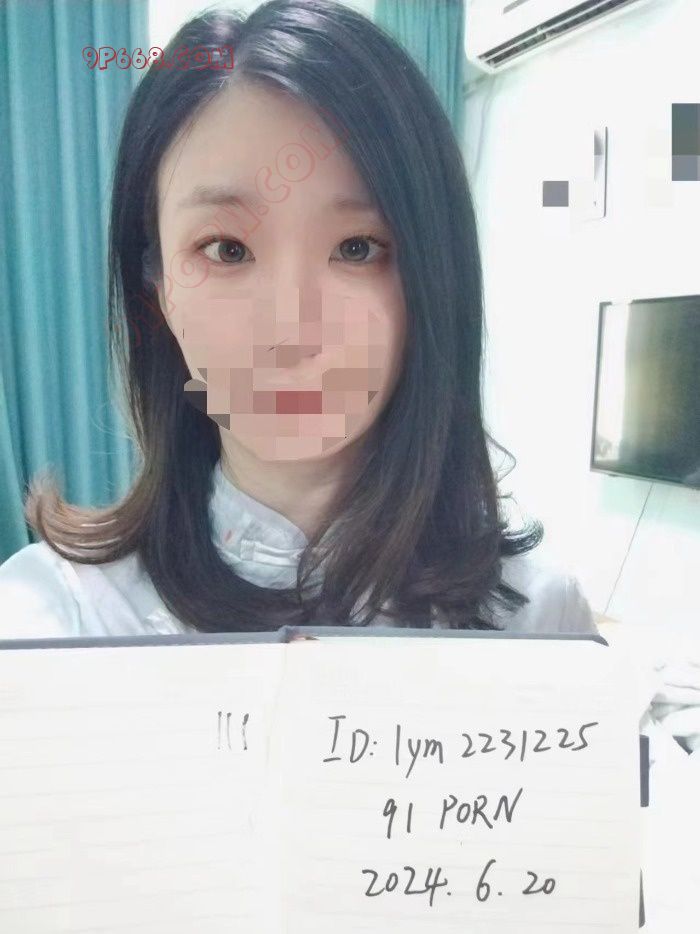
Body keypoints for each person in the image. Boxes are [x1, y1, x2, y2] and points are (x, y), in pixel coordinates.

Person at [0, 0, 597, 640]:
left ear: (434, 281)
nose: (291, 327)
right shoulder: (59, 620)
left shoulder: (538, 619)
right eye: (227, 250)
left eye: (357, 248)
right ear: (160, 289)